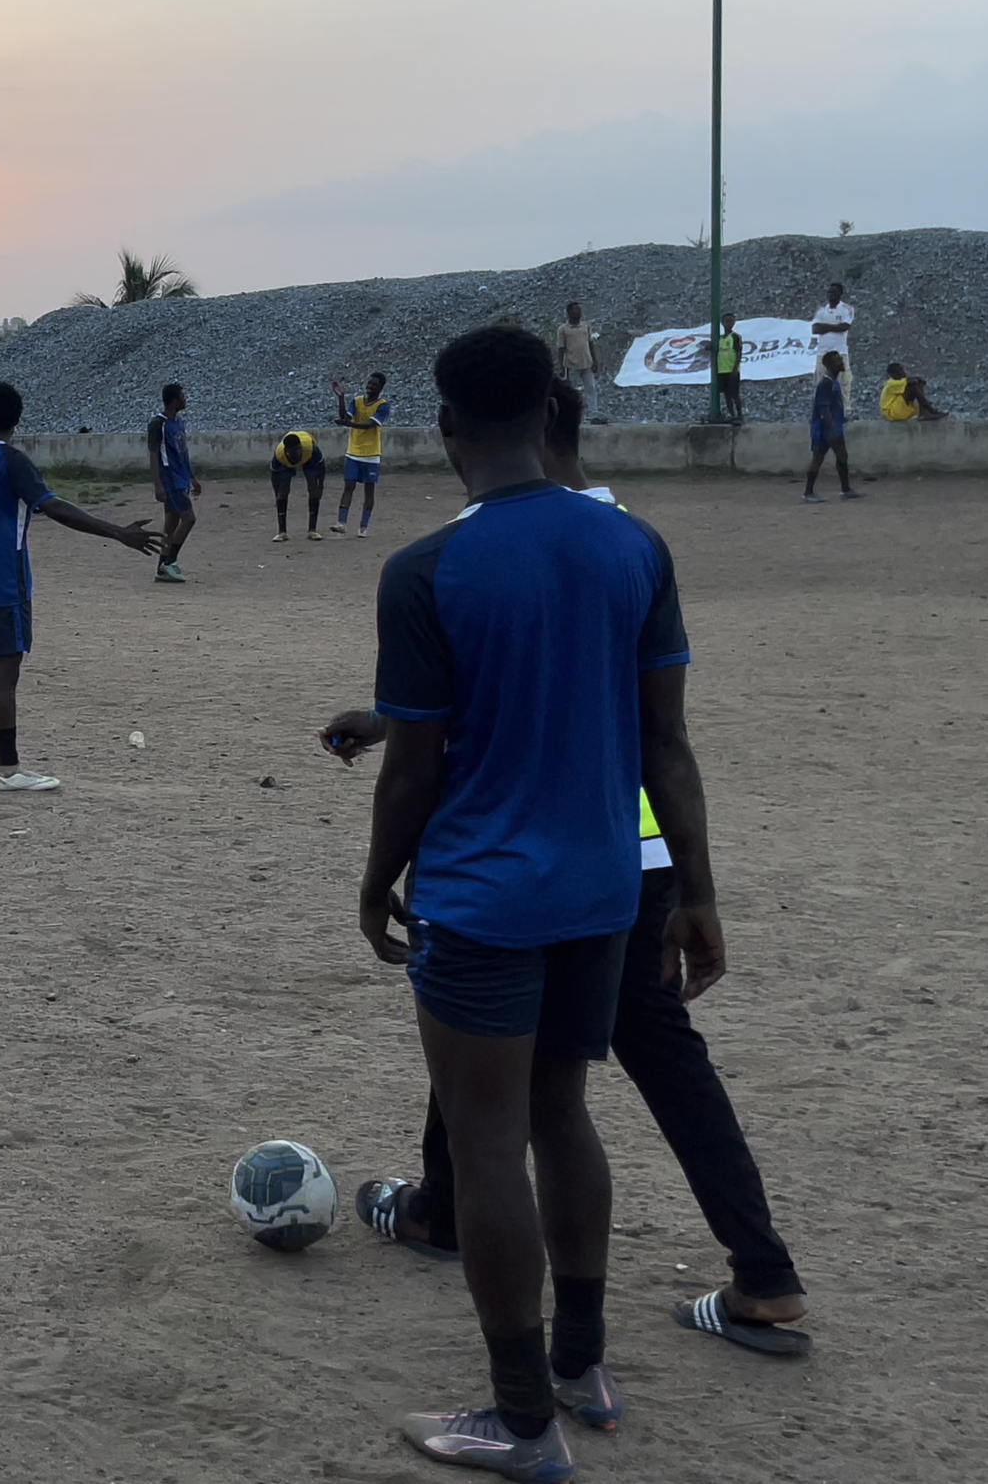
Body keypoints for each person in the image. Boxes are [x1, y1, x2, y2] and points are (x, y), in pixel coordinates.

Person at [327, 380, 810, 1365]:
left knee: (571, 1051)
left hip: (588, 850)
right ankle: (442, 1208)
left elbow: (621, 720)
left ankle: (760, 1271)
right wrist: (388, 718)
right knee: (499, 1044)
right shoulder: (616, 536)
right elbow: (555, 684)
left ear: (521, 429)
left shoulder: (526, 538)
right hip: (621, 854)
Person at [354, 326, 715, 1479]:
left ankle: (520, 1427)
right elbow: (665, 741)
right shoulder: (632, 547)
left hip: (484, 900)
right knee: (562, 1115)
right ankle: (581, 1366)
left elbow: (415, 763)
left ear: (446, 428)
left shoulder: (425, 571)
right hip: (606, 890)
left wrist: (372, 883)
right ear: (550, 412)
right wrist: (696, 895)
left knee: (486, 1143)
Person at [0, 382, 160, 792]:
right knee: (8, 667)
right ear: (18, 419)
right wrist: (117, 533)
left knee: (4, 656)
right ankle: (9, 770)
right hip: (6, 578)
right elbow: (54, 507)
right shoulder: (13, 461)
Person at [148, 382, 199, 582]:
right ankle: (170, 561)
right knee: (189, 518)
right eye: (182, 396)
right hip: (170, 479)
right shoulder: (158, 424)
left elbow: (183, 453)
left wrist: (193, 478)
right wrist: (158, 484)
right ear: (174, 400)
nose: (185, 399)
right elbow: (154, 454)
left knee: (172, 522)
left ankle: (161, 567)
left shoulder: (179, 423)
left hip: (181, 478)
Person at [332, 372, 392, 535]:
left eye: (374, 385)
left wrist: (347, 424)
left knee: (369, 490)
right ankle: (341, 522)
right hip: (353, 452)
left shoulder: (383, 406)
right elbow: (345, 416)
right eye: (369, 384)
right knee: (348, 486)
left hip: (371, 454)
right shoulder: (357, 401)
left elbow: (369, 425)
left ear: (381, 388)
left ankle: (363, 526)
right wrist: (341, 398)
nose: (370, 387)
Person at [805, 352, 860, 504]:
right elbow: (823, 409)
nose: (842, 362)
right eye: (838, 360)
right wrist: (832, 429)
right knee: (819, 458)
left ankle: (845, 489)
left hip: (831, 427)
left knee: (841, 456)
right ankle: (809, 492)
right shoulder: (826, 384)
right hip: (825, 429)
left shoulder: (832, 382)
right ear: (830, 365)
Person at [271, 430, 328, 541]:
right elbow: (274, 475)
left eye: (299, 449)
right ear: (287, 451)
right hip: (286, 464)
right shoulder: (279, 456)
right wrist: (277, 496)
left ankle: (312, 530)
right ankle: (282, 532)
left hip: (309, 460)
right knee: (282, 494)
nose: (298, 453)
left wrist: (320, 487)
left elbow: (322, 468)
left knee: (313, 489)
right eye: (294, 451)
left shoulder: (311, 448)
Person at [555, 302, 604, 418]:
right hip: (571, 365)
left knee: (591, 388)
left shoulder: (586, 326)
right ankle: (573, 413)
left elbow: (591, 343)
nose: (578, 312)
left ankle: (593, 412)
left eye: (579, 309)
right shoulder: (563, 329)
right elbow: (561, 348)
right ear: (568, 313)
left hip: (587, 363)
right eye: (575, 309)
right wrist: (561, 366)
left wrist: (595, 361)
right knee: (573, 391)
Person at [811, 283, 856, 402]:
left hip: (839, 350)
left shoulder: (847, 309)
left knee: (844, 380)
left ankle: (846, 408)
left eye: (834, 292)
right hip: (823, 351)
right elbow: (815, 329)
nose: (831, 295)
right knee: (819, 379)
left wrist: (824, 327)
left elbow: (844, 327)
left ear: (840, 294)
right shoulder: (821, 311)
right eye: (829, 292)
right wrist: (834, 327)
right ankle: (819, 407)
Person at [879, 362, 948, 423]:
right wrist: (917, 379)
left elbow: (912, 381)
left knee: (915, 384)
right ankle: (930, 410)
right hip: (891, 412)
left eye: (902, 370)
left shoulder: (898, 382)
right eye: (900, 371)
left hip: (898, 410)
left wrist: (919, 382)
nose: (903, 372)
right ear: (892, 374)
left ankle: (924, 412)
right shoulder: (891, 384)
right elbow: (908, 382)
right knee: (912, 386)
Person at [713, 314, 744, 425]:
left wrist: (735, 367)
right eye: (727, 321)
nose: (729, 323)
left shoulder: (735, 337)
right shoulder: (719, 338)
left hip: (731, 370)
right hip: (721, 370)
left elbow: (739, 352)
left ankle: (740, 415)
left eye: (731, 321)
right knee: (727, 394)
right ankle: (732, 415)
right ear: (722, 323)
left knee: (735, 394)